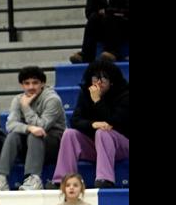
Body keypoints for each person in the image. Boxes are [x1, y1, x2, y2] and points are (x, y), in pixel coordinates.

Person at [54, 58, 131, 188]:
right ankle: (63, 179)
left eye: (103, 80)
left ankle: (105, 179)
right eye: (95, 79)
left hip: (121, 145)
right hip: (96, 145)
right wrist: (92, 124)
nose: (98, 83)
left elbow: (114, 122)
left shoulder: (125, 95)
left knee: (103, 133)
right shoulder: (85, 93)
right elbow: (75, 120)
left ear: (112, 81)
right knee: (70, 134)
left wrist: (98, 101)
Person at [0, 66, 64, 191]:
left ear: (42, 83)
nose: (31, 87)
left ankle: (34, 178)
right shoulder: (18, 99)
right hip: (30, 144)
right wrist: (29, 127)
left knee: (35, 134)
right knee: (13, 135)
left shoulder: (52, 99)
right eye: (27, 83)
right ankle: (2, 178)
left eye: (35, 83)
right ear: (22, 85)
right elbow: (10, 125)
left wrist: (26, 107)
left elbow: (42, 126)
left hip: (54, 144)